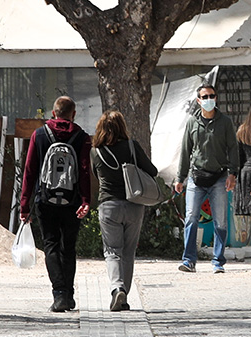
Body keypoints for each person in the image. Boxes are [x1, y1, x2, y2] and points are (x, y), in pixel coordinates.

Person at [19, 96, 91, 312]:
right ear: (74, 114)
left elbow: (29, 171)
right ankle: (68, 295)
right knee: (68, 248)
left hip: (45, 200)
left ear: (53, 113)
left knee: (50, 244)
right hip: (72, 201)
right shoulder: (82, 137)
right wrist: (86, 200)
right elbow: (85, 171)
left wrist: (24, 205)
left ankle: (59, 294)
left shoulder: (39, 134)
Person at [90, 110, 158, 311]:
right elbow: (152, 171)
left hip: (108, 205)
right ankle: (124, 297)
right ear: (122, 126)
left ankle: (116, 288)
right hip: (134, 204)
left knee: (112, 251)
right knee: (128, 251)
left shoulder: (96, 151)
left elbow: (95, 174)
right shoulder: (131, 146)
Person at [174, 83, 239, 274]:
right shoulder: (192, 123)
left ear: (216, 98)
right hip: (196, 177)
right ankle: (188, 260)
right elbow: (185, 151)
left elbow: (233, 148)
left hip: (219, 177)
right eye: (205, 97)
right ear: (198, 100)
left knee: (220, 221)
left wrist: (232, 174)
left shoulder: (225, 122)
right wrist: (180, 177)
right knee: (191, 218)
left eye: (212, 96)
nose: (208, 99)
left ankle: (218, 261)